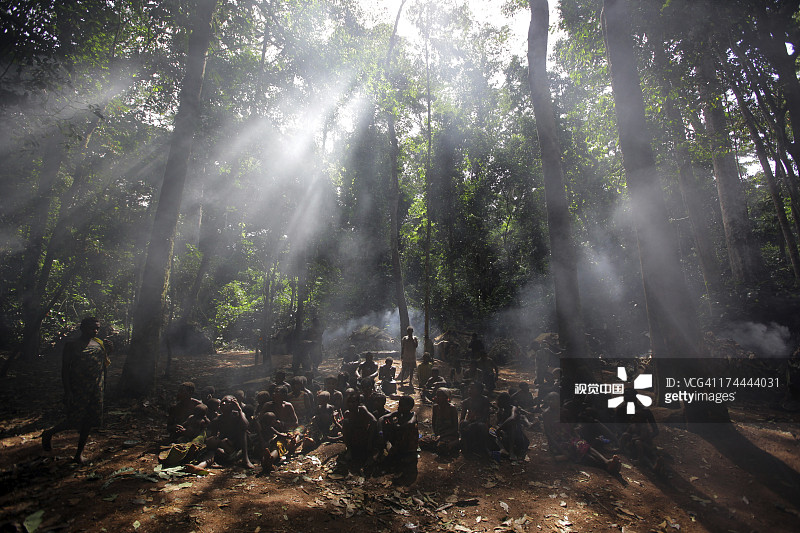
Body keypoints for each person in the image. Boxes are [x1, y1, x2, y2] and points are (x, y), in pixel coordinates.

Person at [42, 317, 110, 464]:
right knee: (74, 419)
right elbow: (65, 369)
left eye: (97, 328)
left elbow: (103, 365)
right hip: (78, 388)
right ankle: (49, 433)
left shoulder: (99, 344)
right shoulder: (72, 345)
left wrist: (105, 386)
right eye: (92, 328)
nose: (95, 331)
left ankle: (78, 454)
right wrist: (68, 391)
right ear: (82, 328)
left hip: (96, 388)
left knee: (90, 421)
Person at [542, 392, 620, 474]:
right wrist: (559, 448)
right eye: (550, 399)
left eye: (553, 399)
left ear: (558, 401)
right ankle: (605, 465)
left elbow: (570, 427)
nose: (551, 402)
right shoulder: (546, 414)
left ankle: (606, 461)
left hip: (569, 438)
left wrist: (576, 435)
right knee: (582, 453)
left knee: (585, 446)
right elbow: (549, 434)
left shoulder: (563, 411)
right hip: (558, 442)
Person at [378, 396, 418, 481]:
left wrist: (396, 427)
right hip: (399, 444)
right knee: (387, 425)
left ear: (409, 407)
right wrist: (381, 432)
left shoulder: (413, 415)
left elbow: (410, 423)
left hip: (408, 447)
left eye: (402, 405)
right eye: (399, 405)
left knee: (402, 430)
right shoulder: (398, 413)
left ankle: (396, 456)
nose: (399, 407)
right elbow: (382, 418)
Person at [459, 381, 492, 458]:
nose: (469, 390)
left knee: (481, 426)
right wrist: (461, 426)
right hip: (470, 422)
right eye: (469, 388)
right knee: (463, 423)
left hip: (482, 422)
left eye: (473, 388)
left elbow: (485, 417)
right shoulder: (466, 402)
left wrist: (473, 424)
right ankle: (465, 446)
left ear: (480, 391)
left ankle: (484, 447)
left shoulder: (484, 400)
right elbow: (462, 417)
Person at [495, 392, 531, 460]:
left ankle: (511, 452)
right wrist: (499, 428)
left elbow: (512, 418)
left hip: (517, 437)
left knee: (512, 426)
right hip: (504, 434)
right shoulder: (500, 411)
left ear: (506, 401)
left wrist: (500, 427)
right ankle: (502, 448)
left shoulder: (513, 408)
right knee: (491, 429)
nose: (498, 403)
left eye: (500, 401)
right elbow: (497, 423)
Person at [429, 388, 460, 456]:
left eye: (439, 396)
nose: (436, 398)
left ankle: (456, 442)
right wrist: (435, 434)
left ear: (446, 398)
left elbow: (455, 428)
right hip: (439, 434)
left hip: (449, 435)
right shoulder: (435, 407)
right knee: (422, 442)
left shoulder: (452, 409)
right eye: (437, 395)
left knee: (442, 447)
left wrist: (441, 436)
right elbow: (434, 423)